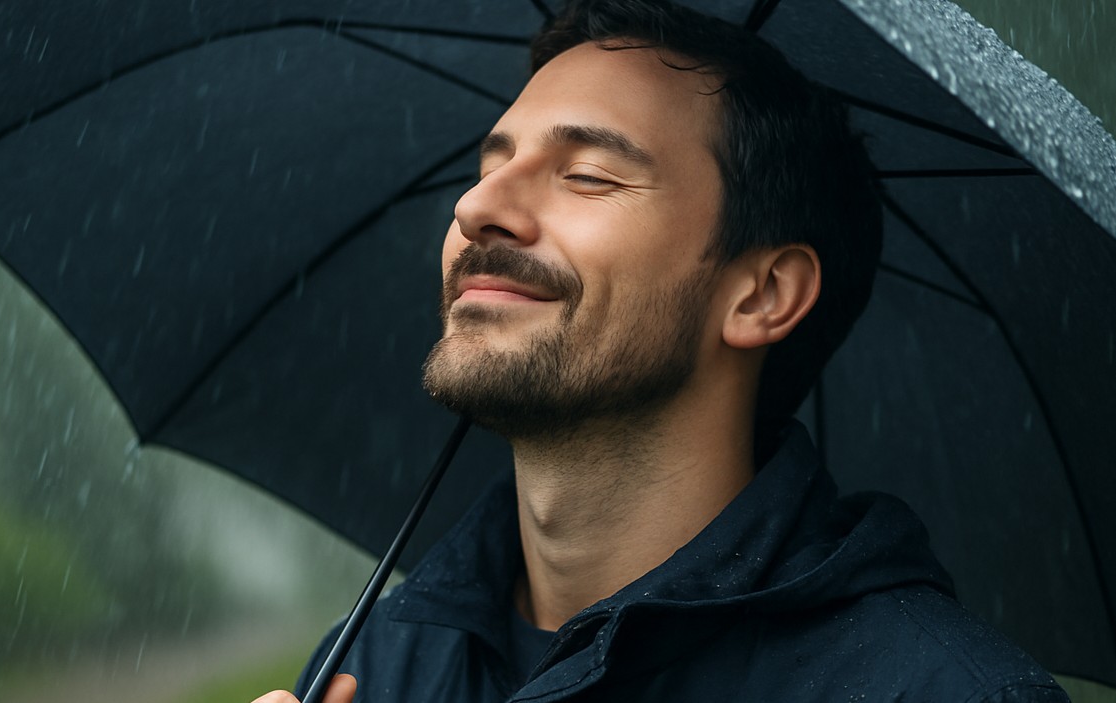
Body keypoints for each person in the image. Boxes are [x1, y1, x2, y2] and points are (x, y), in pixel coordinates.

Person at [256, 1, 1069, 701]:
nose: (476, 206)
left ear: (761, 294)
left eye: (588, 176)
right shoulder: (371, 665)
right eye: (489, 165)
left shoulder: (940, 691)